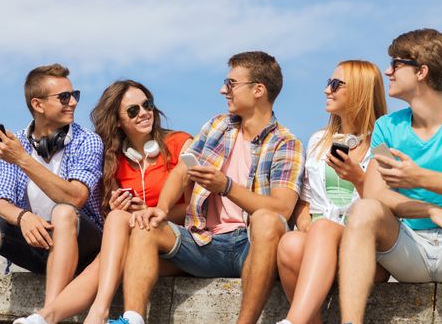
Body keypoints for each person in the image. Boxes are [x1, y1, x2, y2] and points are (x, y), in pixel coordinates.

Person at [105, 51, 305, 324]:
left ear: (258, 90)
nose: (224, 89)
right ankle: (133, 319)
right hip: (204, 241)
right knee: (145, 226)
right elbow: (181, 171)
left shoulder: (286, 142)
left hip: (251, 245)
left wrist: (227, 187)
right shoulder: (217, 125)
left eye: (232, 83)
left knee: (267, 221)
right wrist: (161, 209)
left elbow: (282, 208)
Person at [338, 28, 442, 324]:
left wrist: (419, 178)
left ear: (421, 71)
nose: (387, 71)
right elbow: (375, 193)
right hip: (409, 250)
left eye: (396, 64)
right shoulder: (387, 127)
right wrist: (431, 209)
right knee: (365, 209)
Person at [13, 80, 192, 324]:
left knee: (113, 246)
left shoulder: (179, 144)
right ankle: (48, 317)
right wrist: (119, 209)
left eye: (147, 105)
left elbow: (196, 209)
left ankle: (94, 312)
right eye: (133, 110)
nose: (144, 113)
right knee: (116, 227)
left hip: (177, 244)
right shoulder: (113, 161)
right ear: (118, 121)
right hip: (138, 248)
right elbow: (107, 220)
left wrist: (150, 212)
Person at [0, 64, 103, 307]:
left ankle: (47, 315)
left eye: (75, 95)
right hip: (39, 243)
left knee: (63, 212)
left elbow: (75, 198)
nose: (72, 102)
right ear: (38, 104)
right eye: (64, 97)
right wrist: (23, 217)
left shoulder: (88, 141)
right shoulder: (17, 142)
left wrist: (22, 159)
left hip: (84, 248)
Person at [276, 60, 388, 324]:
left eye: (336, 84)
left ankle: (293, 321)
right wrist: (306, 227)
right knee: (291, 243)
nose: (328, 90)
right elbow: (303, 201)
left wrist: (359, 179)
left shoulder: (383, 144)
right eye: (328, 83)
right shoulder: (318, 140)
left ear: (360, 90)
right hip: (320, 242)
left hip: (367, 250)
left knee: (324, 228)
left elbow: (386, 204)